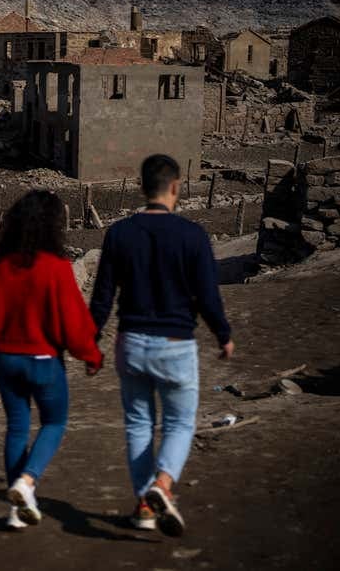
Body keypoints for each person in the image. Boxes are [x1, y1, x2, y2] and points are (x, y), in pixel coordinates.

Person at [89, 154, 234, 538]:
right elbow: (207, 296)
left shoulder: (119, 233)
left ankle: (143, 506)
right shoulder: (193, 236)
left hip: (131, 343)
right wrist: (223, 334)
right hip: (176, 344)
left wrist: (89, 343)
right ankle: (163, 484)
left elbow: (102, 297)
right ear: (175, 187)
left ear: (142, 188)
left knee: (138, 425)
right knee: (180, 422)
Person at [0, 190, 103, 530]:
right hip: (43, 360)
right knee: (54, 423)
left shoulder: (1, 267)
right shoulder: (57, 269)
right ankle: (27, 480)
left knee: (17, 427)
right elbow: (73, 321)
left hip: (6, 359)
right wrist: (90, 354)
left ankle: (18, 508)